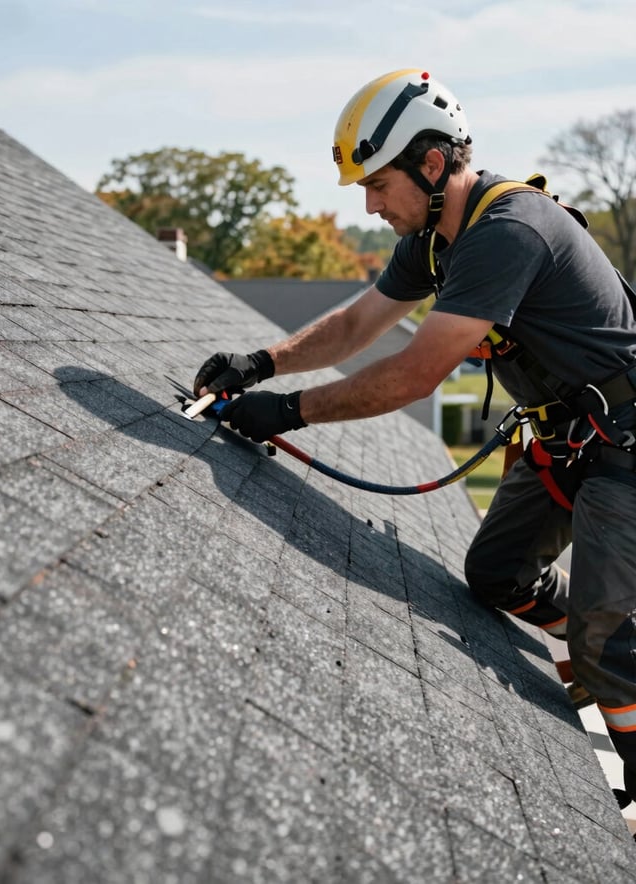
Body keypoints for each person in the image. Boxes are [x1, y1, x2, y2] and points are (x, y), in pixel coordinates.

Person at [193, 68, 636, 808]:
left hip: (626, 445)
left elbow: (412, 376)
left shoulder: (507, 231)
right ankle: (595, 638)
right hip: (569, 440)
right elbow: (357, 326)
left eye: (377, 184)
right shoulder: (434, 241)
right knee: (495, 578)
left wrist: (289, 412)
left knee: (606, 642)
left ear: (432, 165)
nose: (369, 205)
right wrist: (260, 364)